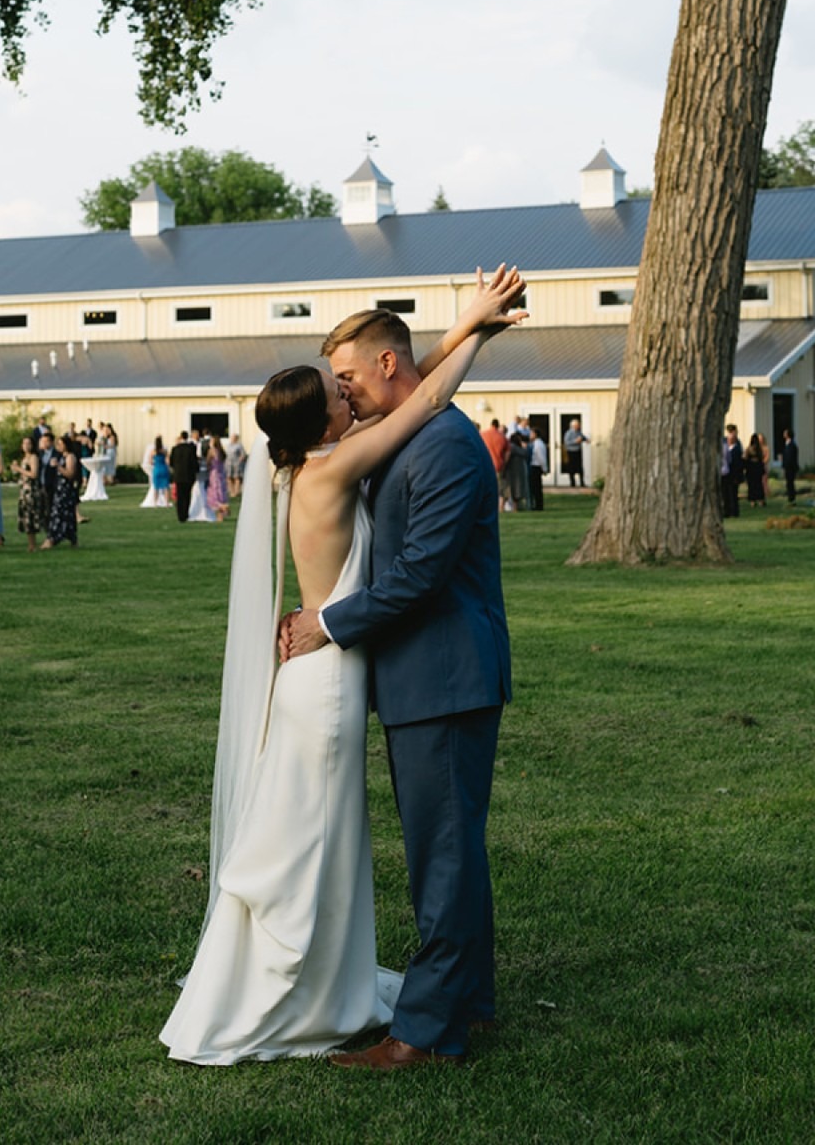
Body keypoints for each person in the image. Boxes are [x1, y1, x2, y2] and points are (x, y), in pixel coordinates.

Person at [161, 265, 523, 1067]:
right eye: (338, 387)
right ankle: (437, 999)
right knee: (423, 850)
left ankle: (429, 1031)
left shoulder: (437, 445)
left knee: (444, 852)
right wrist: (474, 327)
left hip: (440, 675)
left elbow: (421, 573)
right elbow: (416, 387)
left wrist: (327, 622)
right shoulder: (349, 455)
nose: (348, 392)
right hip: (376, 679)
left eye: (351, 376)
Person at [44, 435, 80, 549]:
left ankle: (54, 538)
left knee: (61, 513)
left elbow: (70, 474)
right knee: (58, 513)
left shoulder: (70, 457)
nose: (58, 446)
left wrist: (58, 467)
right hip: (59, 489)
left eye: (60, 444)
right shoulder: (60, 456)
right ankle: (61, 537)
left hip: (66, 490)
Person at [16, 434, 46, 551]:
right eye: (24, 443)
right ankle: (31, 543)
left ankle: (33, 545)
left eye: (28, 443)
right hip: (24, 490)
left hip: (31, 490)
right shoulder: (24, 458)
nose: (26, 446)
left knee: (31, 516)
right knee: (26, 516)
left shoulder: (33, 457)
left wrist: (19, 469)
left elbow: (34, 474)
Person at [481, 418, 511, 509]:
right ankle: (501, 507)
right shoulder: (502, 437)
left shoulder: (483, 435)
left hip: (485, 465)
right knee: (501, 487)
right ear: (498, 426)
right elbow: (508, 453)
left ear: (491, 425)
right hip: (498, 465)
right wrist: (504, 463)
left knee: (486, 488)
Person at [169, 432, 198, 523]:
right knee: (187, 495)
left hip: (178, 475)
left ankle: (180, 515)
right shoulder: (191, 448)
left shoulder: (175, 449)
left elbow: (171, 462)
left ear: (181, 437)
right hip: (188, 475)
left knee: (180, 496)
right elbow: (194, 462)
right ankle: (185, 513)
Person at [720, 424, 743, 517]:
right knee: (725, 493)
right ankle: (726, 511)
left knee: (733, 493)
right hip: (724, 472)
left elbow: (738, 461)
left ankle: (734, 511)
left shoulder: (737, 446)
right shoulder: (723, 443)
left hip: (734, 472)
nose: (731, 436)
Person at [205, 437, 230, 521]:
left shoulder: (212, 451)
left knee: (214, 494)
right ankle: (220, 517)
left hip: (214, 473)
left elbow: (208, 462)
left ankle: (223, 506)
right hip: (221, 473)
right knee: (221, 494)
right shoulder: (221, 451)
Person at [562, 417, 589, 487]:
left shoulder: (579, 432)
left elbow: (582, 437)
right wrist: (575, 441)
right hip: (571, 451)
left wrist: (586, 439)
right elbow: (566, 442)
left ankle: (582, 482)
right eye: (577, 425)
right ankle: (572, 483)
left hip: (578, 451)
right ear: (573, 426)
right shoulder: (568, 433)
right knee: (571, 467)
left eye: (579, 425)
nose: (579, 426)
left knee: (580, 467)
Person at [744, 432, 767, 508]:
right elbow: (762, 458)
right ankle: (761, 500)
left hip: (751, 469)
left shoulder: (749, 449)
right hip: (758, 469)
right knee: (759, 485)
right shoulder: (759, 449)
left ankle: (752, 501)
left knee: (751, 486)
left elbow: (745, 458)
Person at [528, 427, 548, 511]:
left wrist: (544, 468)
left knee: (536, 487)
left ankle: (538, 505)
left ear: (535, 434)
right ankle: (536, 504)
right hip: (534, 467)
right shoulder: (534, 444)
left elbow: (541, 458)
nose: (530, 435)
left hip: (536, 467)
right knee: (534, 487)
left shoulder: (538, 445)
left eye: (531, 434)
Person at [780, 427, 800, 503]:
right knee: (789, 483)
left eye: (785, 433)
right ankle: (790, 497)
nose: (783, 435)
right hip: (788, 467)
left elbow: (791, 457)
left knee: (790, 483)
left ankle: (791, 498)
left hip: (790, 467)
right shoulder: (787, 444)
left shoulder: (792, 445)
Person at [225, 433, 247, 499]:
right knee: (229, 478)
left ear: (236, 438)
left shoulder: (239, 445)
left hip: (236, 464)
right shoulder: (229, 445)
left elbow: (243, 454)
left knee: (237, 478)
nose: (232, 439)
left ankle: (236, 492)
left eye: (233, 437)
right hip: (229, 464)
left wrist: (240, 460)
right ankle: (231, 492)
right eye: (231, 437)